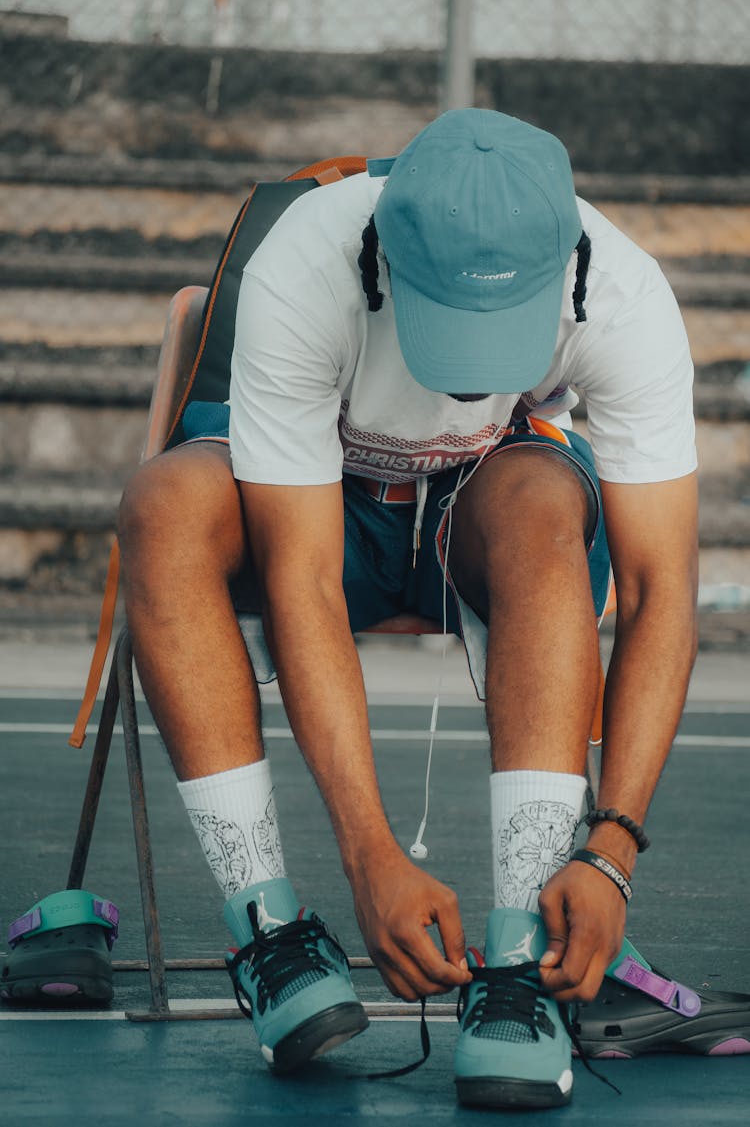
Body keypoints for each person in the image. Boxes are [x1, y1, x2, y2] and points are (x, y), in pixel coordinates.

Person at [117, 109, 698, 1108]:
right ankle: (271, 931)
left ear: (563, 261)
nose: (473, 362)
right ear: (385, 251)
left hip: (478, 506)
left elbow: (658, 587)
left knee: (545, 500)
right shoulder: (310, 259)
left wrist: (612, 851)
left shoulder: (624, 290)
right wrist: (370, 853)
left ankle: (519, 968)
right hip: (311, 505)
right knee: (163, 506)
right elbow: (302, 576)